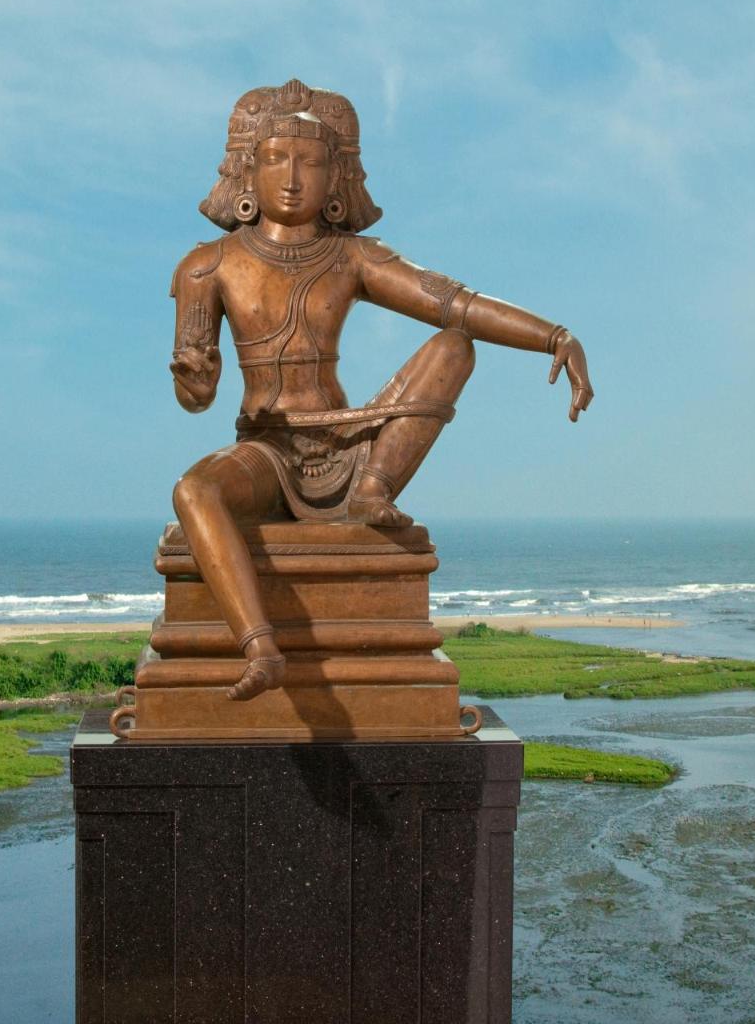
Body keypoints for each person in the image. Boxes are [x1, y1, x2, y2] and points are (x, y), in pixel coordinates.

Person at [170, 79, 593, 701]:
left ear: (336, 179)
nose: (292, 178)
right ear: (246, 172)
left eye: (311, 163)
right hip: (267, 449)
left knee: (453, 344)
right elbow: (194, 396)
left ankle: (373, 492)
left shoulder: (353, 257)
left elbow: (458, 303)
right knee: (194, 491)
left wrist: (555, 336)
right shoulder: (206, 265)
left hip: (349, 446)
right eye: (275, 159)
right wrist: (197, 380)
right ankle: (260, 647)